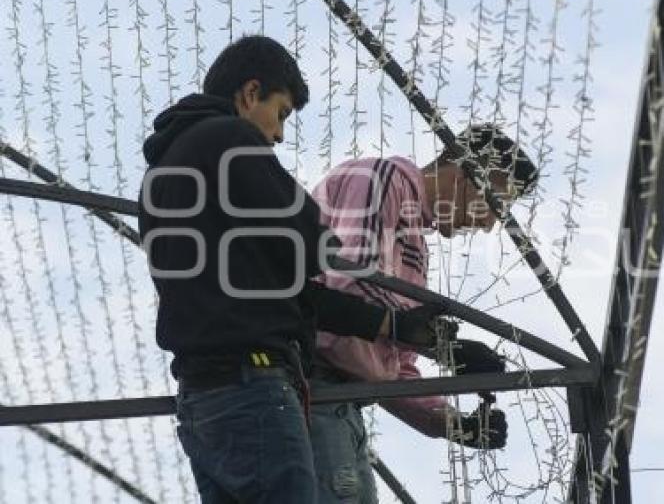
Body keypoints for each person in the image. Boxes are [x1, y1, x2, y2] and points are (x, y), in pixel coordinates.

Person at [138, 35, 445, 503]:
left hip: (202, 399)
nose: (278, 135)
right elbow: (309, 241)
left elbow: (285, 292)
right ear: (249, 93)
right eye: (280, 113)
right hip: (254, 384)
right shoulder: (230, 138)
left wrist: (391, 324)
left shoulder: (160, 179)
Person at [308, 123, 540, 503]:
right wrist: (442, 345)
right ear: (466, 173)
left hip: (339, 400)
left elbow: (395, 364)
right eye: (496, 201)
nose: (489, 223)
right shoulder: (387, 178)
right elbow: (350, 285)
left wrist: (451, 423)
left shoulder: (416, 246)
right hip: (312, 383)